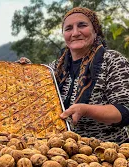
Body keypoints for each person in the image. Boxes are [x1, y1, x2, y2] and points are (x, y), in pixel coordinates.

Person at [20, 7, 129, 144]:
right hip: (62, 150)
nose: (75, 33)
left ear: (95, 30)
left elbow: (125, 111)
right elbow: (35, 99)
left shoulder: (113, 61)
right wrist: (25, 73)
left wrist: (86, 110)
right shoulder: (54, 68)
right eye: (69, 28)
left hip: (109, 151)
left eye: (82, 25)